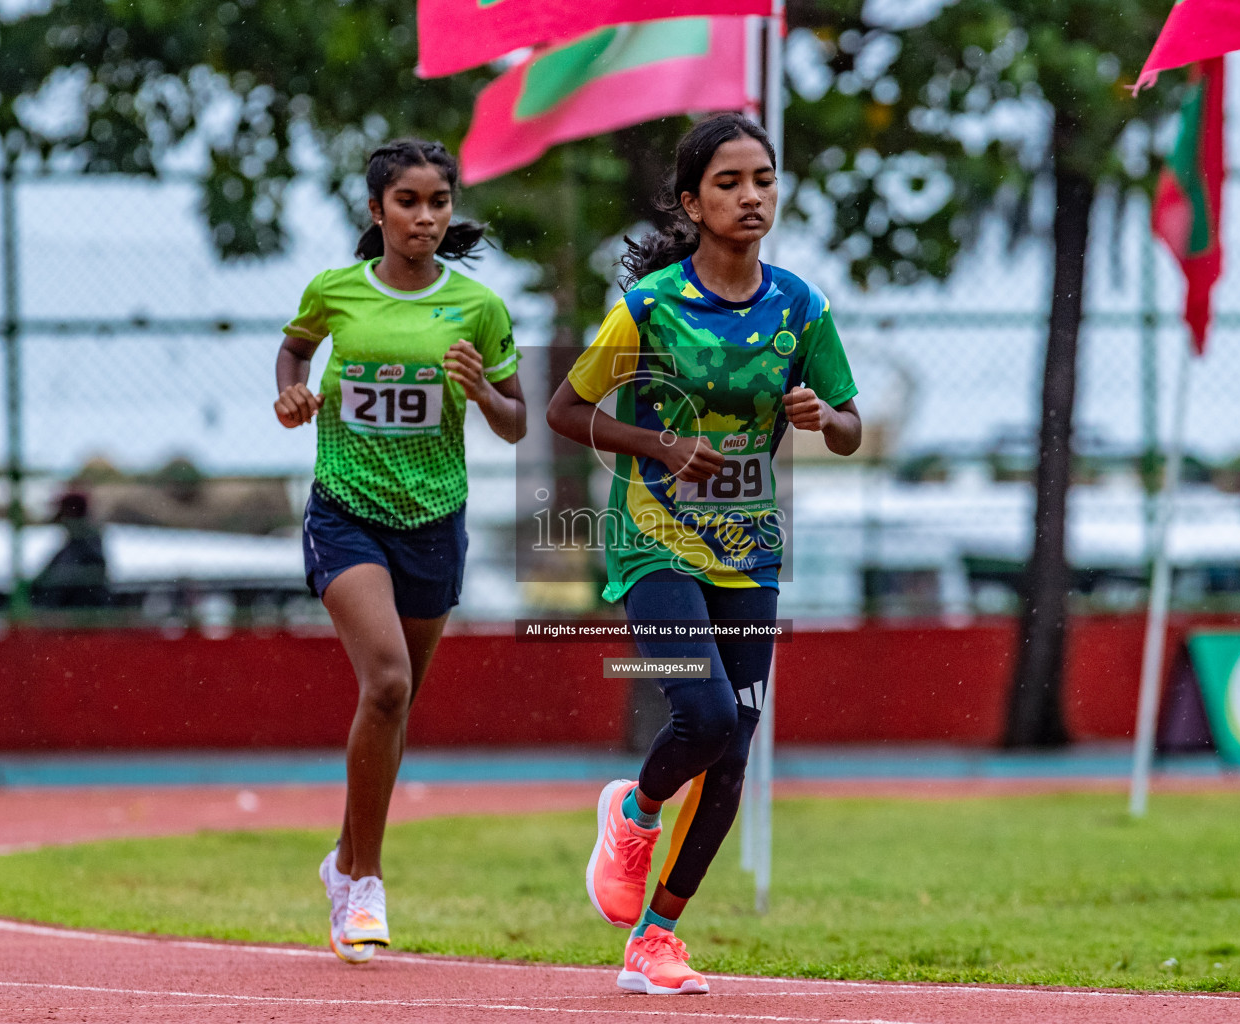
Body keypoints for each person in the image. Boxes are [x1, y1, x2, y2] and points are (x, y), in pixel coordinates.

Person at [545, 113, 861, 995]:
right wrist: (662, 448)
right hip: (654, 542)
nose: (750, 195)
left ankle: (657, 937)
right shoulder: (649, 308)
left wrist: (822, 418)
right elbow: (566, 413)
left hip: (748, 547)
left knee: (733, 752)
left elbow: (848, 426)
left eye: (762, 178)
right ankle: (635, 811)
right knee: (708, 715)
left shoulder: (801, 306)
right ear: (692, 202)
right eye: (728, 182)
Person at [274, 138, 526, 965]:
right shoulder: (336, 290)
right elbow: (296, 345)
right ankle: (368, 883)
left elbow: (516, 419)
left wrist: (482, 388)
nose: (425, 217)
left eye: (439, 202)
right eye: (409, 201)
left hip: (434, 518)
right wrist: (291, 390)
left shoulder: (478, 308)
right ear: (376, 210)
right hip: (347, 510)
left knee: (397, 701)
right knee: (384, 680)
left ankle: (341, 862)